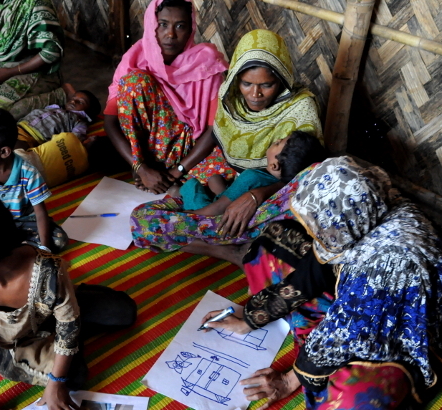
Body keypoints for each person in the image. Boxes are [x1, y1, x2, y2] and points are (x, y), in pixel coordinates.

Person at [200, 157, 442, 410]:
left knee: (357, 398)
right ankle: (311, 334)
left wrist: (290, 379)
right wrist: (252, 316)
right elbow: (319, 261)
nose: (317, 232)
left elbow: (346, 333)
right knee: (272, 242)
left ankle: (317, 347)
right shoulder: (368, 205)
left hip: (395, 335)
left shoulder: (388, 265)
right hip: (360, 304)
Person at [0, 188, 137, 410]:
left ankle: (63, 331)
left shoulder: (49, 270)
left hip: (43, 313)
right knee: (74, 376)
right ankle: (62, 339)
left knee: (123, 312)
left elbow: (68, 325)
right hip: (8, 343)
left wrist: (55, 381)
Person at [130, 29, 324, 258]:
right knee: (188, 184)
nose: (255, 94)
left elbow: (306, 175)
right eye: (246, 84)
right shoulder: (230, 95)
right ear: (236, 79)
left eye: (267, 85)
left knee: (146, 220)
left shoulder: (300, 109)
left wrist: (256, 195)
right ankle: (226, 246)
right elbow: (216, 135)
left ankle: (225, 250)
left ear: (282, 79)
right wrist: (181, 171)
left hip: (270, 194)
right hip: (232, 179)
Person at [104, 0, 232, 194]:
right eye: (162, 24)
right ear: (151, 25)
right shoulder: (135, 59)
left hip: (190, 148)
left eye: (180, 26)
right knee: (134, 82)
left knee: (233, 164)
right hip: (148, 152)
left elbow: (213, 129)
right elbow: (110, 121)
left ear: (191, 30)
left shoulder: (206, 63)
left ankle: (168, 180)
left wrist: (176, 171)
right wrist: (141, 167)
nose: (170, 34)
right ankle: (148, 173)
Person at [0, 108, 68, 252]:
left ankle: (9, 248)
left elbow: (40, 213)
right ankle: (15, 248)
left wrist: (45, 249)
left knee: (58, 239)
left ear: (4, 152)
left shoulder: (28, 173)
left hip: (23, 221)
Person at [180, 130, 325, 214]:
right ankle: (221, 194)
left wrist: (188, 217)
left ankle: (178, 194)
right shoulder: (281, 186)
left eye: (278, 143)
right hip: (230, 199)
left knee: (191, 186)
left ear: (274, 165)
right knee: (215, 179)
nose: (277, 139)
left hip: (217, 212)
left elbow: (216, 210)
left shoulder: (252, 177)